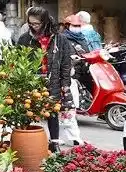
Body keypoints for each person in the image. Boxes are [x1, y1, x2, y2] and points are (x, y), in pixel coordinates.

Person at [17, 7, 73, 152]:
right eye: (31, 23)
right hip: (31, 81)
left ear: (45, 22)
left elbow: (66, 64)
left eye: (37, 24)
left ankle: (54, 143)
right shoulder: (24, 39)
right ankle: (27, 142)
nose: (33, 26)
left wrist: (65, 84)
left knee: (52, 113)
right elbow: (18, 62)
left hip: (52, 79)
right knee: (28, 111)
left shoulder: (60, 39)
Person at [58, 15, 88, 147]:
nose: (77, 28)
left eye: (78, 26)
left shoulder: (82, 39)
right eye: (74, 26)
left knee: (69, 109)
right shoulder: (62, 39)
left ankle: (66, 136)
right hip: (64, 79)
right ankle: (70, 137)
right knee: (66, 110)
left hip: (75, 79)